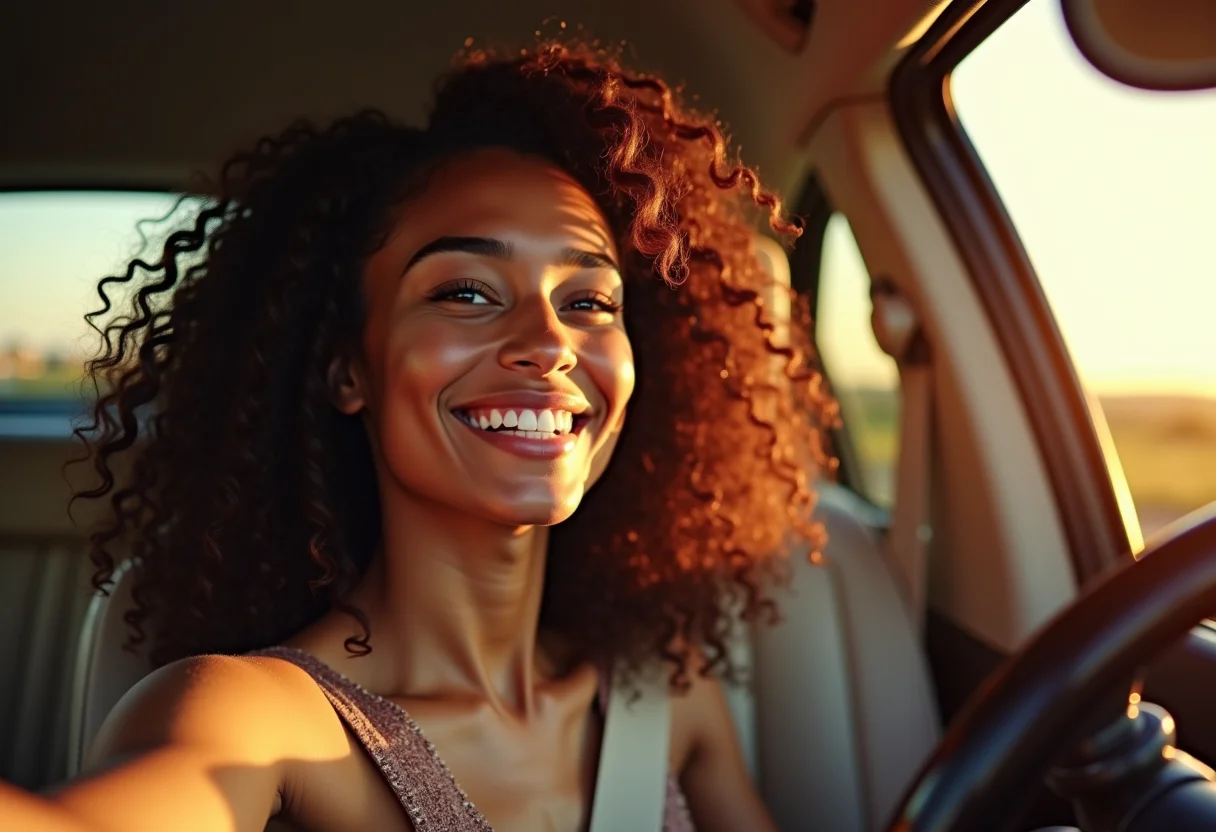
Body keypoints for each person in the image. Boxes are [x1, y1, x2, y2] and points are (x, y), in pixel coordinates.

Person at [1, 36, 833, 832]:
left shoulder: (664, 690)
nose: (549, 344)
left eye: (589, 302)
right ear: (346, 369)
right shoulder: (253, 718)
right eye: (466, 292)